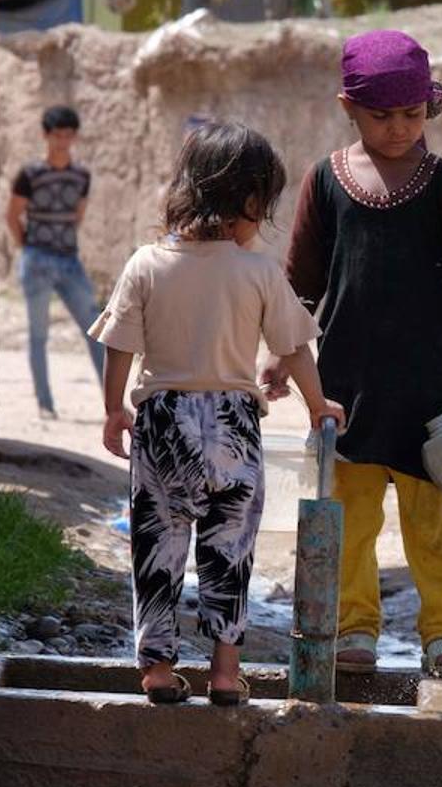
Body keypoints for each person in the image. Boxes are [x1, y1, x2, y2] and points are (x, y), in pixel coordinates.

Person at [264, 30, 442, 681]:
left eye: (411, 114)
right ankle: (355, 626)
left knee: (433, 527)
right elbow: (300, 281)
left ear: (429, 108)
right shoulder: (324, 182)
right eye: (381, 116)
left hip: (427, 391)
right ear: (348, 106)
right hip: (342, 389)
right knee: (350, 519)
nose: (398, 129)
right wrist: (285, 354)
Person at [90, 121, 344, 706]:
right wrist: (316, 403)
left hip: (162, 421)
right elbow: (294, 346)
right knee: (229, 553)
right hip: (233, 425)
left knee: (158, 548)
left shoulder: (147, 264)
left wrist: (112, 411)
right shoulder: (258, 271)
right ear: (249, 204)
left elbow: (120, 344)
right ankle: (226, 674)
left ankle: (157, 669)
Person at [5, 105, 104, 421]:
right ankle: (45, 404)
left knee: (96, 329)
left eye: (68, 135)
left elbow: (79, 215)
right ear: (46, 136)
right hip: (38, 259)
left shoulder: (81, 176)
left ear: (74, 137)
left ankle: (111, 403)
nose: (62, 142)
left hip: (69, 260)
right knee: (38, 334)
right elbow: (12, 215)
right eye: (57, 135)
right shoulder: (30, 175)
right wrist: (28, 247)